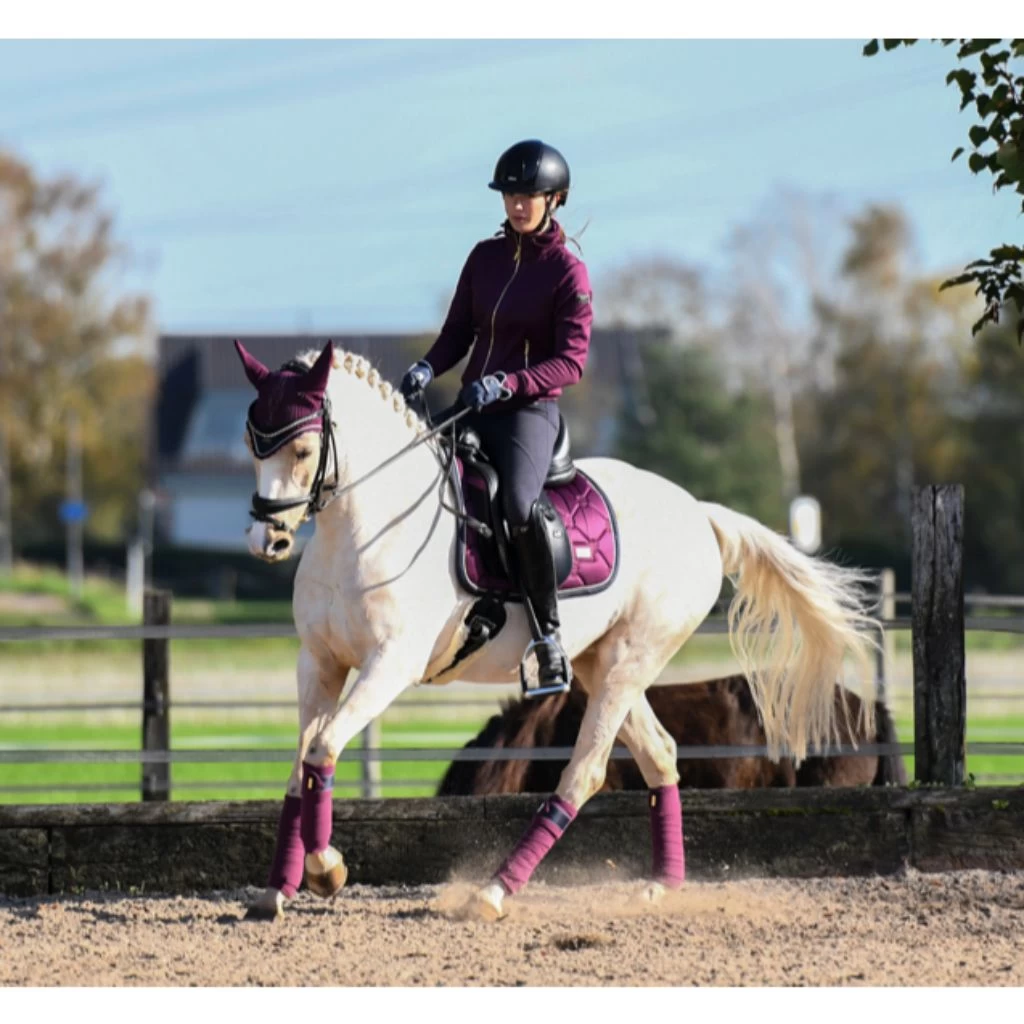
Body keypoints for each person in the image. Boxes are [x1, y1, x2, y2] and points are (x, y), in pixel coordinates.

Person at [400, 139, 593, 691]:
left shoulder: (567, 274)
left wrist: (511, 381)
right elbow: (458, 333)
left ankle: (547, 637)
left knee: (515, 503)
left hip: (528, 412)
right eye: (510, 193)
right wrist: (425, 368)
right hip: (473, 404)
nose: (516, 203)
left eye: (528, 194)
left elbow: (571, 362)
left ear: (554, 199)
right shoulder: (483, 258)